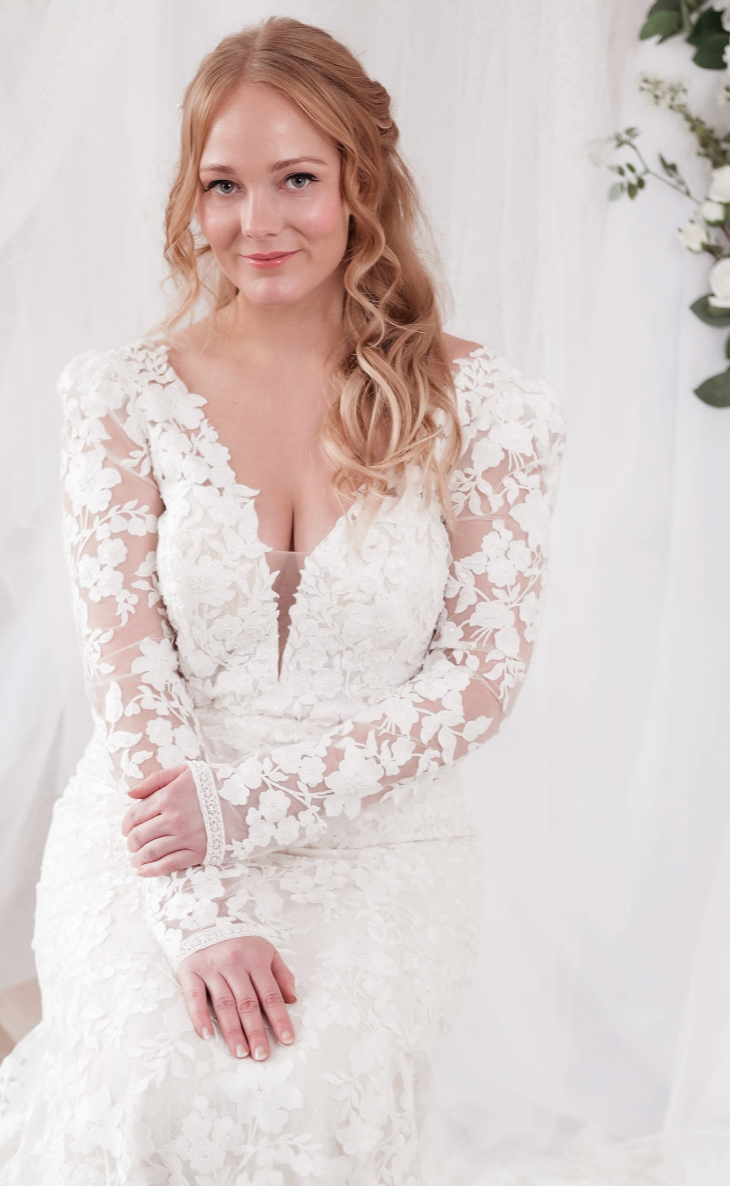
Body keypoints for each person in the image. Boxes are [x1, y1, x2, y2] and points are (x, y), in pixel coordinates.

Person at [0, 16, 564, 1184]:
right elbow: (129, 667)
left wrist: (247, 806)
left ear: (361, 181)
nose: (256, 222)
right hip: (152, 829)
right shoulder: (119, 399)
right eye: (223, 185)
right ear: (190, 200)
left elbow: (476, 683)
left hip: (380, 838)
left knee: (303, 1099)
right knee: (144, 1086)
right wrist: (196, 904)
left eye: (296, 179)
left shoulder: (488, 409)